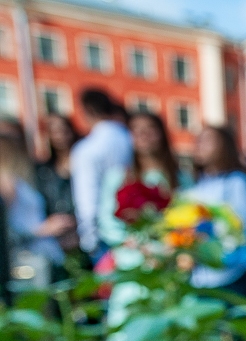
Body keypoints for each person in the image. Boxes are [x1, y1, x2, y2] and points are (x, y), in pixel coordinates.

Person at [184, 126, 246, 296]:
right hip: (199, 279)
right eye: (198, 139)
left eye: (207, 140)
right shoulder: (196, 185)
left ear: (224, 146)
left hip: (231, 278)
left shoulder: (236, 182)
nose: (199, 144)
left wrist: (211, 239)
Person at [98, 112, 185, 247]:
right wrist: (125, 240)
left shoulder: (181, 178)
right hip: (131, 256)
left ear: (161, 133)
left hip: (172, 253)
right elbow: (106, 219)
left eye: (150, 128)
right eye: (136, 130)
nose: (143, 134)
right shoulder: (117, 176)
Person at [0, 134, 75, 287]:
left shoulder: (17, 178)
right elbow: (6, 229)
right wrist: (41, 230)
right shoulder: (6, 182)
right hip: (31, 260)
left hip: (45, 254)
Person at [70, 89, 133, 258]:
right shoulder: (130, 139)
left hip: (104, 234)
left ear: (86, 110)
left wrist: (88, 237)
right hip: (135, 228)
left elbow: (87, 194)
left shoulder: (87, 148)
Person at [36, 115, 81, 258]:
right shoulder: (43, 170)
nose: (59, 136)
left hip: (82, 233)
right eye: (53, 131)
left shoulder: (84, 165)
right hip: (55, 238)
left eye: (62, 130)